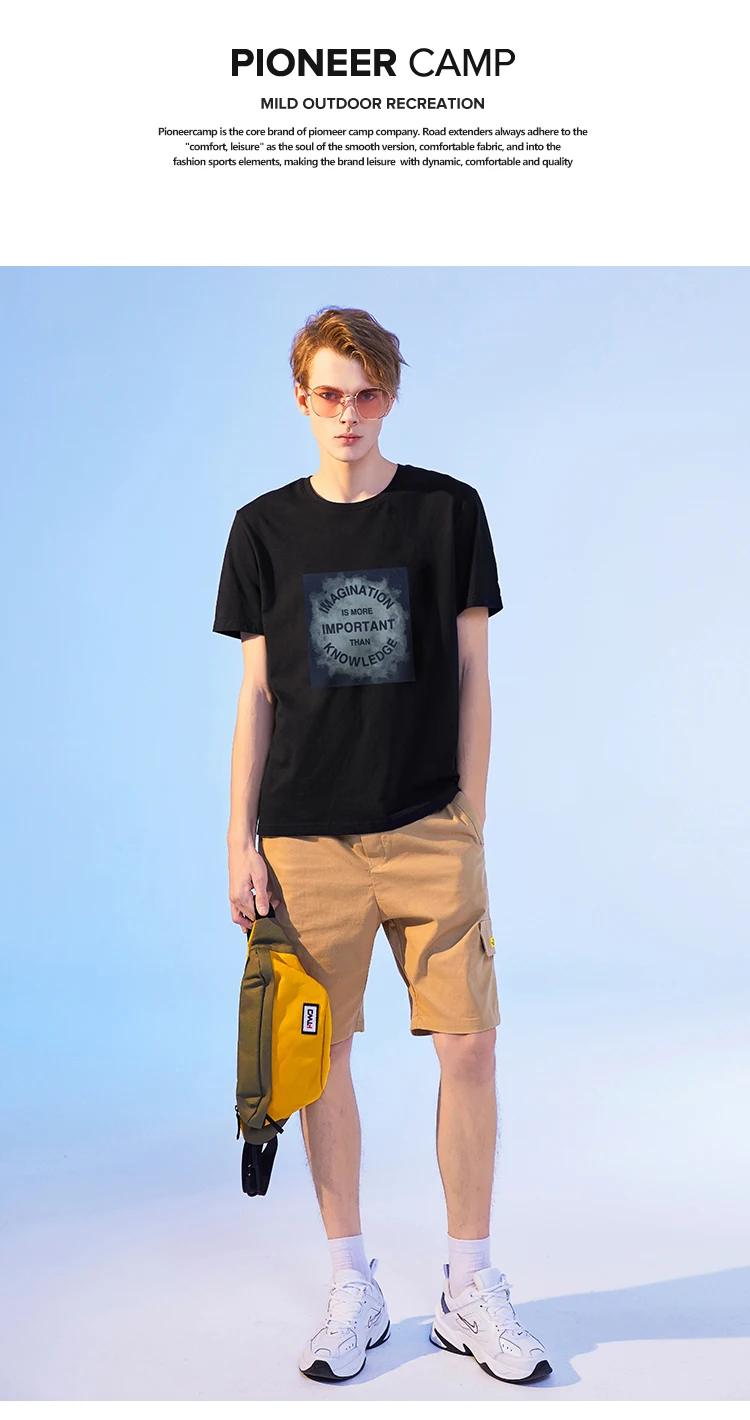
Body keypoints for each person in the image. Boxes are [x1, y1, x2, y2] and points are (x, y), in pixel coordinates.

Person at [212, 306, 551, 1387]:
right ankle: (351, 1284)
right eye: (328, 395)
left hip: (428, 825)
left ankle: (469, 1286)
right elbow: (256, 696)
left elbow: (476, 672)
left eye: (365, 395)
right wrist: (239, 838)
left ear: (389, 397)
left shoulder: (447, 511)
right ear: (301, 399)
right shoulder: (263, 529)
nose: (347, 415)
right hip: (304, 836)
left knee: (470, 1046)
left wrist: (469, 819)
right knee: (321, 1058)